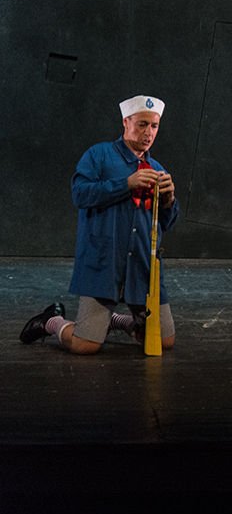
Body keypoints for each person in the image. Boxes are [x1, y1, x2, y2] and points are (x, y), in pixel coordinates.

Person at [20, 95, 179, 353]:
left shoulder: (157, 168)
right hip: (105, 263)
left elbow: (166, 224)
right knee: (85, 346)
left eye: (154, 126)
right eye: (142, 124)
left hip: (142, 268)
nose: (148, 132)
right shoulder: (99, 155)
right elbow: (80, 194)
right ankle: (50, 321)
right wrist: (126, 184)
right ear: (126, 122)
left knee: (164, 341)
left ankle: (115, 320)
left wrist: (170, 201)